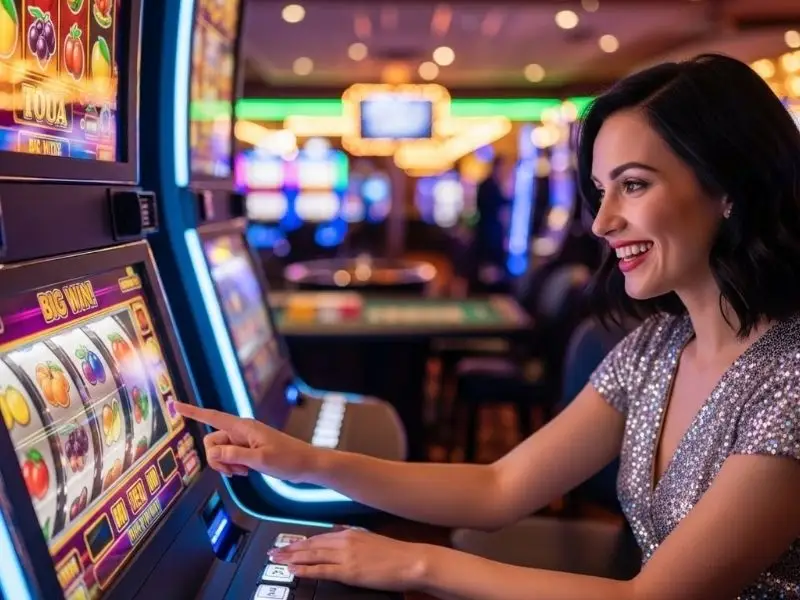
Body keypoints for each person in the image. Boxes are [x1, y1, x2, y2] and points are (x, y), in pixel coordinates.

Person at [176, 53, 800, 599]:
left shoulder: (789, 379)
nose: (600, 223)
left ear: (730, 189)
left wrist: (419, 563)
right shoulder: (656, 347)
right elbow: (498, 487)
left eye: (633, 186)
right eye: (600, 190)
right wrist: (307, 461)